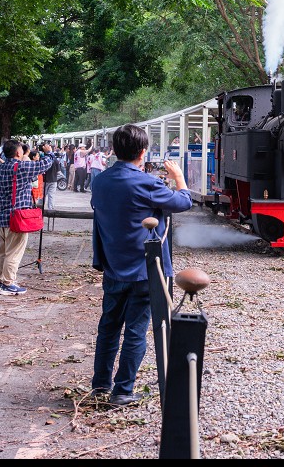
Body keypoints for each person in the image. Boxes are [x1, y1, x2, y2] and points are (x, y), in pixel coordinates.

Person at [89, 124, 193, 406]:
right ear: (143, 152)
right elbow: (183, 202)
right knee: (136, 329)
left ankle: (100, 384)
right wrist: (179, 176)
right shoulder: (146, 183)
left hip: (112, 264)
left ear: (114, 150)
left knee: (108, 326)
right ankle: (123, 391)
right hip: (144, 269)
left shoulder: (99, 181)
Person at [0, 141, 55, 296]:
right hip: (17, 218)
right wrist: (49, 152)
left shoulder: (3, 167)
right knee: (14, 252)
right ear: (18, 153)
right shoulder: (20, 167)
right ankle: (8, 283)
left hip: (3, 217)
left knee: (3, 251)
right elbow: (44, 165)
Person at [42, 143, 61, 211]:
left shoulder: (43, 158)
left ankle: (40, 209)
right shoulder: (55, 159)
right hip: (53, 179)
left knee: (42, 196)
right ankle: (51, 210)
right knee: (51, 196)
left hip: (45, 179)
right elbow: (58, 171)